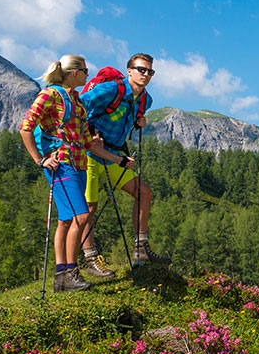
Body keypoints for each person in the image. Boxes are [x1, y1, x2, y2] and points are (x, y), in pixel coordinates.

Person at [19, 54, 130, 291]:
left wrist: (118, 160)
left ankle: (62, 278)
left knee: (66, 220)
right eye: (85, 70)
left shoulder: (77, 101)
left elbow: (89, 143)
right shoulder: (50, 94)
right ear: (74, 72)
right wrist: (40, 160)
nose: (88, 74)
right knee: (81, 218)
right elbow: (26, 127)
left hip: (79, 164)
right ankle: (70, 272)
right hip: (61, 163)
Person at [79, 53, 168, 271]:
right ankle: (90, 259)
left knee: (144, 193)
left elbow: (127, 119)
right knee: (89, 207)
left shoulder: (146, 100)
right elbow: (78, 104)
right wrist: (89, 131)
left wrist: (138, 122)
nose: (146, 74)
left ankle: (141, 248)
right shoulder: (111, 89)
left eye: (150, 71)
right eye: (141, 70)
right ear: (129, 71)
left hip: (114, 156)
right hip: (89, 154)